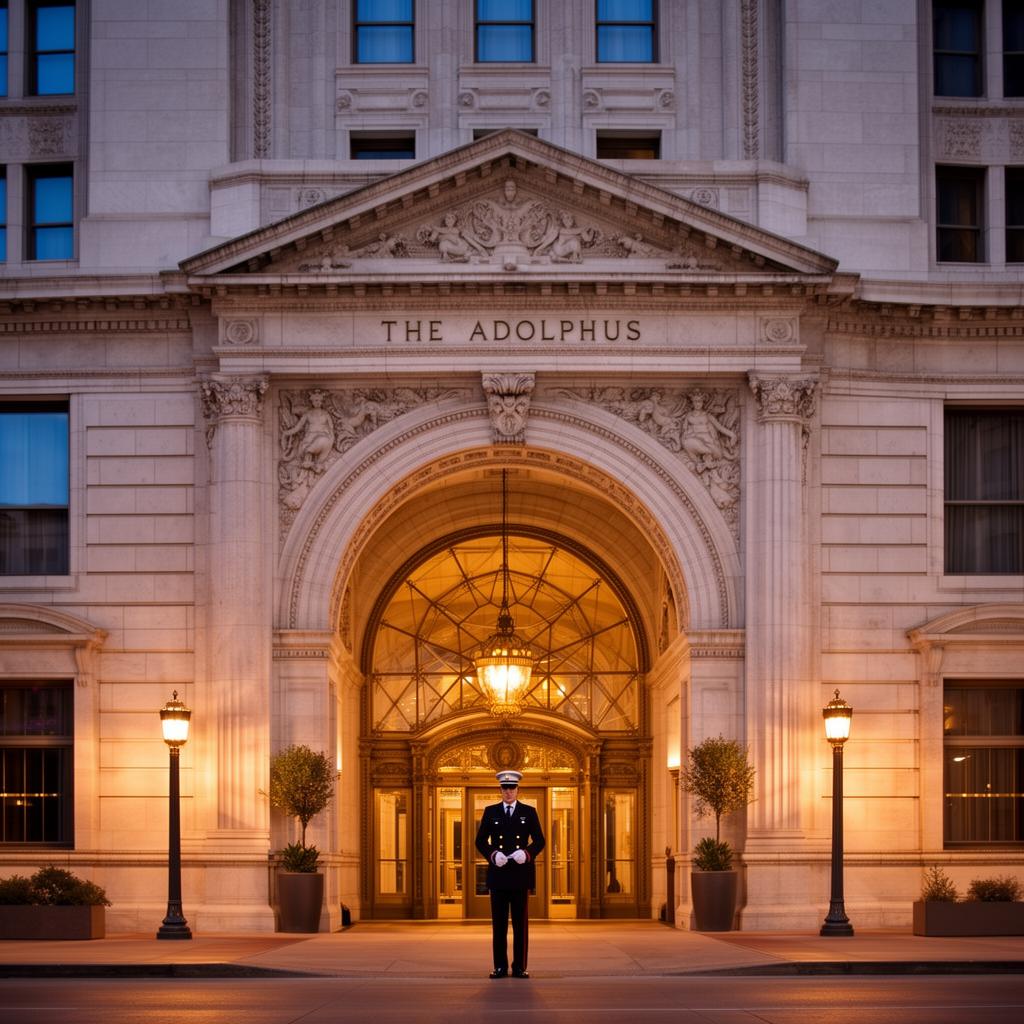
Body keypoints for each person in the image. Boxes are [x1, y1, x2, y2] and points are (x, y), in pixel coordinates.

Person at [474, 769, 545, 979]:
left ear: (518, 789)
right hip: (499, 876)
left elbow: (540, 840)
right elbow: (479, 841)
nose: (508, 792)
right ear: (500, 789)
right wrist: (493, 854)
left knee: (520, 925)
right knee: (499, 925)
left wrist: (527, 852)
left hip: (520, 875)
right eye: (505, 788)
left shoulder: (529, 812)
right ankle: (500, 967)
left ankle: (520, 966)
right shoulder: (490, 811)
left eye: (512, 788)